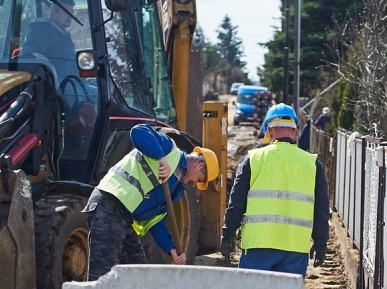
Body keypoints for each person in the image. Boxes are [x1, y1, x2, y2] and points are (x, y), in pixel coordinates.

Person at [85, 125, 219, 279]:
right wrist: (161, 158)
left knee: (139, 275)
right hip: (108, 204)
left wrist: (171, 249)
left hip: (123, 218)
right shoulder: (170, 150)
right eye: (199, 180)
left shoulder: (176, 188)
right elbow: (137, 130)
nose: (195, 184)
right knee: (103, 275)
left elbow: (155, 220)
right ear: (199, 165)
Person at [220, 102, 330, 277]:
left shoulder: (253, 159)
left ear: (269, 132)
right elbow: (322, 210)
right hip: (295, 249)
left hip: (258, 247)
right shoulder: (312, 164)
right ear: (295, 134)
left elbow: (237, 202)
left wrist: (228, 234)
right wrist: (320, 243)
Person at [22, 0, 79, 76]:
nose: (70, 17)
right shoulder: (43, 29)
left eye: (72, 13)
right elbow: (30, 46)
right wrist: (35, 54)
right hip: (59, 82)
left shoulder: (62, 32)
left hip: (73, 79)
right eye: (67, 12)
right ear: (54, 12)